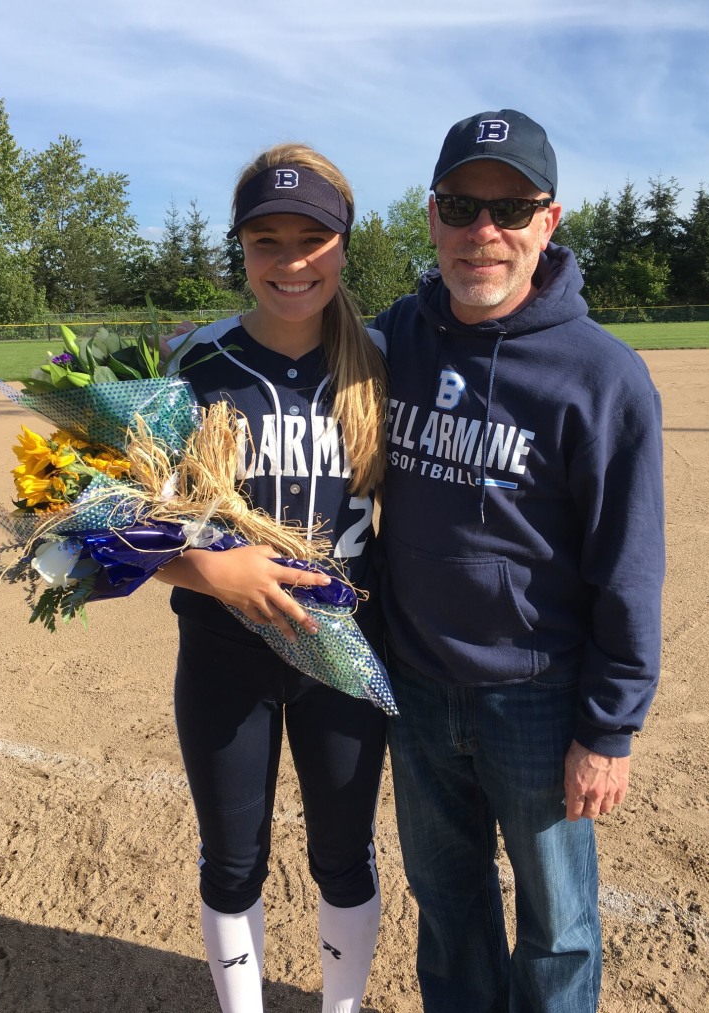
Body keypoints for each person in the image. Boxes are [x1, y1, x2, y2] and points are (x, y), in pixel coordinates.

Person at [373, 109, 665, 1012]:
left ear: (550, 219)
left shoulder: (600, 376)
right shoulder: (396, 339)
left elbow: (628, 563)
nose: (482, 233)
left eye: (511, 209)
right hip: (415, 686)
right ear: (430, 217)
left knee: (558, 926)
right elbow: (290, 353)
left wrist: (608, 727)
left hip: (536, 697)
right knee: (448, 906)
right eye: (461, 206)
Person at [154, 144, 389, 1013]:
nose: (290, 263)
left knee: (344, 851)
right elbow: (120, 531)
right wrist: (210, 566)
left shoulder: (384, 361)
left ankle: (342, 1005)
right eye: (267, 241)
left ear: (343, 245)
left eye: (311, 239)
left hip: (345, 658)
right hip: (224, 653)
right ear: (240, 249)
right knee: (232, 858)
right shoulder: (194, 363)